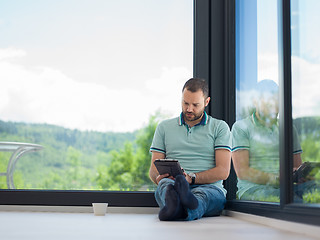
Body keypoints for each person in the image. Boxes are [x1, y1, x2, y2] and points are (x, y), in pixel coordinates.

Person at [149, 78, 232, 221]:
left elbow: (223, 171)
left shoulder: (220, 127)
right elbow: (153, 169)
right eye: (185, 103)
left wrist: (191, 179)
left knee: (204, 196)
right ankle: (179, 204)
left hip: (209, 188)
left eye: (195, 105)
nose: (189, 109)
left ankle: (175, 208)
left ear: (206, 102)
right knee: (165, 186)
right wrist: (158, 178)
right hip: (173, 184)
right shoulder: (164, 127)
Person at [231, 79, 311, 202]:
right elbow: (243, 172)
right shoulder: (241, 127)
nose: (273, 106)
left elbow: (296, 166)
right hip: (254, 189)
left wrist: (300, 175)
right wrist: (278, 179)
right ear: (255, 101)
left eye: (276, 101)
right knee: (295, 202)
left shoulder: (289, 129)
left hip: (286, 186)